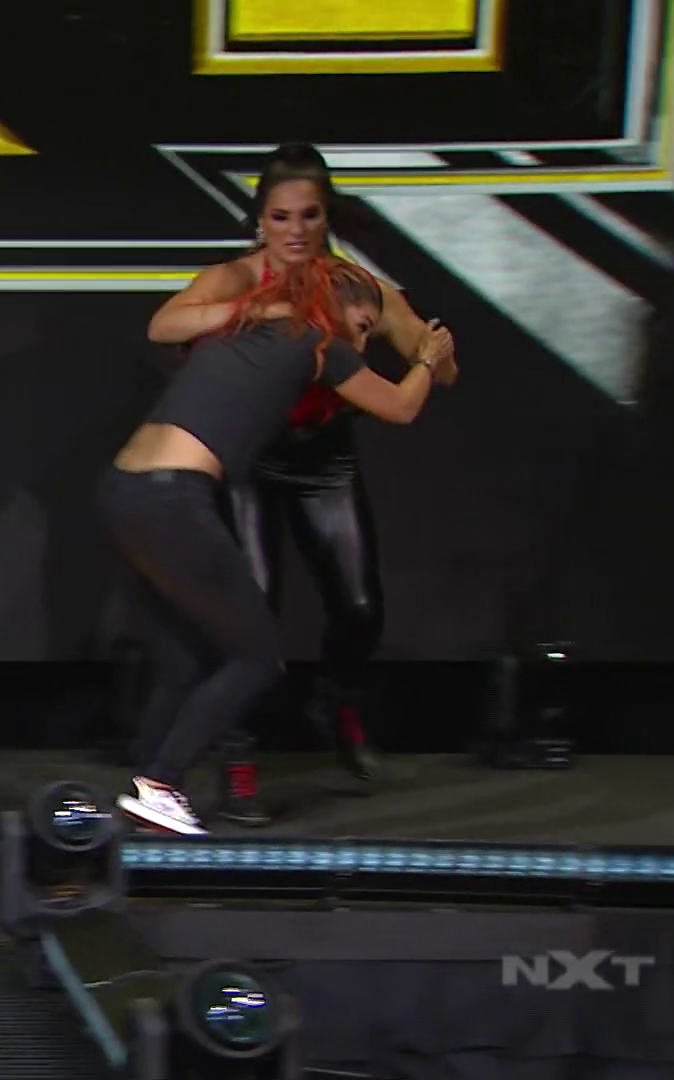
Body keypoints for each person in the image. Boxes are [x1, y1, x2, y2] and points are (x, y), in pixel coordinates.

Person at [145, 143, 458, 826]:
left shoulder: (356, 287)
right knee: (252, 619)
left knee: (360, 608)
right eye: (280, 217)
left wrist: (433, 356)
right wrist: (252, 314)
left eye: (309, 216)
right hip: (251, 461)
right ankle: (237, 764)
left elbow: (430, 358)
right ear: (260, 220)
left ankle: (336, 698)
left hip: (325, 460)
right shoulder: (234, 278)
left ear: (325, 219)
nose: (294, 230)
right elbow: (164, 324)